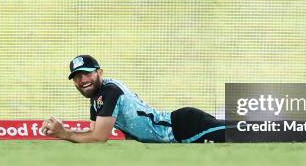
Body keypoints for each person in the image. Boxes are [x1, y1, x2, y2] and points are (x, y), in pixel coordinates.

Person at [41, 55, 228, 143]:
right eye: (77, 77)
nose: (82, 80)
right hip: (178, 134)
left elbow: (98, 137)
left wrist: (64, 133)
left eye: (87, 74)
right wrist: (64, 131)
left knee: (247, 132)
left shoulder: (109, 92)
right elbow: (92, 134)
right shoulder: (97, 99)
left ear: (100, 73)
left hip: (184, 127)